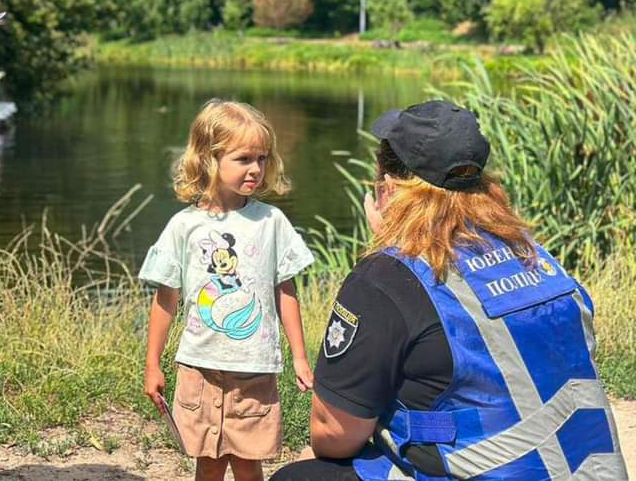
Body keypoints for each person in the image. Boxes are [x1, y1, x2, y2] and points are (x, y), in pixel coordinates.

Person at [272, 100, 627, 481]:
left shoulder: (385, 279)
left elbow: (332, 435)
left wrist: (389, 255)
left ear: (389, 188)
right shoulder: (535, 256)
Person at [141, 99, 315, 481]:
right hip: (200, 368)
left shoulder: (271, 222)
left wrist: (300, 357)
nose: (255, 169)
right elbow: (165, 299)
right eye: (243, 159)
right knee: (208, 462)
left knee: (249, 464)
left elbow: (286, 292)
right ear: (209, 159)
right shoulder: (184, 226)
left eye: (262, 158)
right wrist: (153, 363)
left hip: (253, 368)